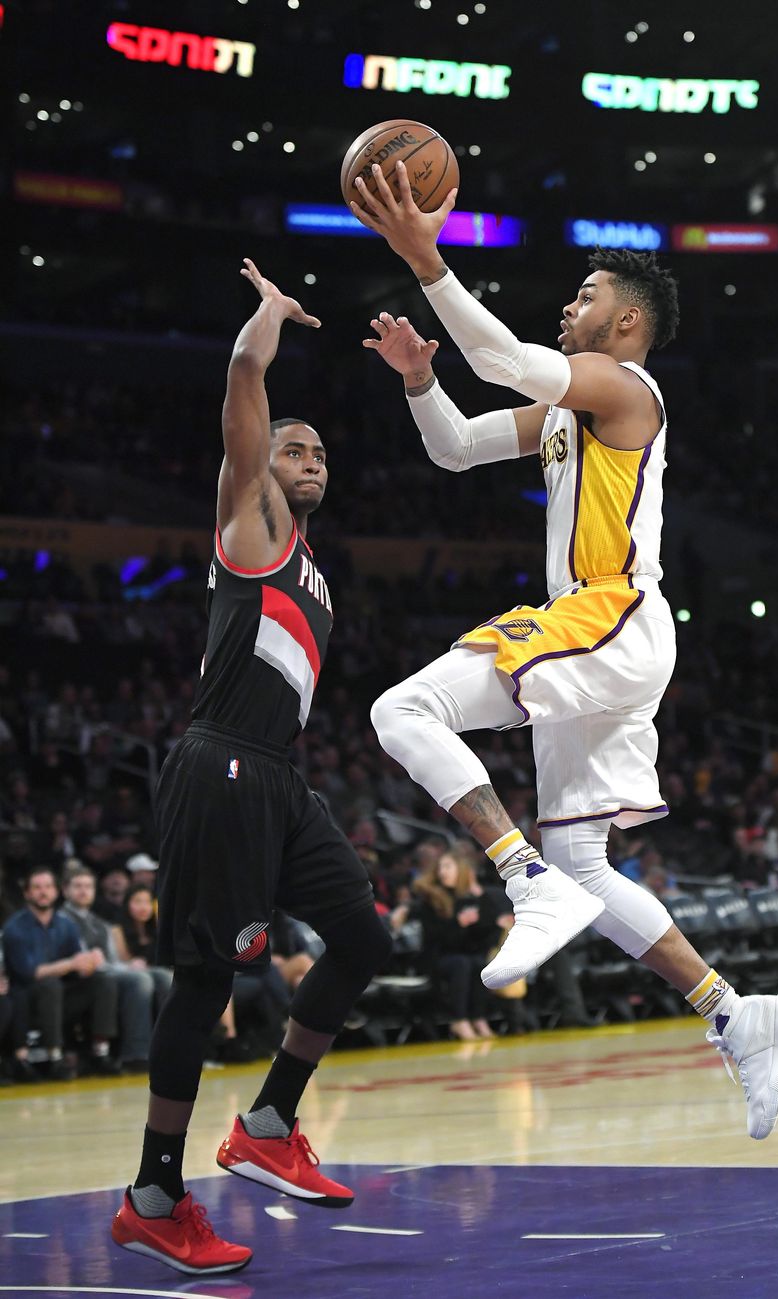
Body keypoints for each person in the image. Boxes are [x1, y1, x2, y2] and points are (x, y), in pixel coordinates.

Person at [354, 163, 778, 1142]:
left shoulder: (623, 387)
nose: (569, 303)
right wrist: (420, 380)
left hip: (607, 616)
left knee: (402, 711)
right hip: (604, 636)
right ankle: (734, 1012)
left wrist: (427, 262)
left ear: (626, 325)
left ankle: (518, 878)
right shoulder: (567, 414)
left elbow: (508, 358)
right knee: (584, 862)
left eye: (586, 295)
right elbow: (457, 447)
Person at [111, 260, 392, 1276]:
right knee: (203, 983)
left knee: (362, 937)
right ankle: (153, 1190)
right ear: (259, 462)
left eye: (318, 448)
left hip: (276, 776)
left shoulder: (314, 566)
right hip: (220, 766)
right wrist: (265, 322)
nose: (307, 454)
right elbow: (241, 378)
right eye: (289, 444)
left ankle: (268, 1121)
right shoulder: (249, 521)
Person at [3, 865, 120, 1079]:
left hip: (63, 997)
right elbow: (31, 973)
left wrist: (90, 962)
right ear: (27, 893)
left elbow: (79, 963)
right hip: (27, 997)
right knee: (50, 985)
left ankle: (100, 1051)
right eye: (37, 887)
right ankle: (55, 1057)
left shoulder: (66, 925)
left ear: (56, 891)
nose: (43, 892)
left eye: (47, 886)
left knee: (104, 980)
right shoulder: (15, 927)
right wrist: (72, 963)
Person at [408, 843, 511, 1040]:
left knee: (480, 963)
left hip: (464, 955)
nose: (442, 872)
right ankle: (459, 1020)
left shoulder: (467, 898)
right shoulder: (432, 899)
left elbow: (484, 933)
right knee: (462, 963)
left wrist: (482, 901)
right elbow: (434, 938)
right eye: (441, 867)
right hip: (435, 957)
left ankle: (478, 1018)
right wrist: (458, 924)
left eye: (448, 867)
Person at [61, 862, 156, 1071]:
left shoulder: (99, 923)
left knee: (160, 977)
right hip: (76, 980)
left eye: (88, 886)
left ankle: (163, 1049)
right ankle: (135, 1053)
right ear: (65, 890)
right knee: (140, 979)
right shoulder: (62, 920)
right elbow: (88, 961)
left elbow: (112, 961)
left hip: (106, 972)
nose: (84, 891)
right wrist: (127, 969)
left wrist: (128, 965)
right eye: (78, 886)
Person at [112, 884, 173, 1010]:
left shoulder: (158, 928)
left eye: (147, 902)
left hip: (157, 973)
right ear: (127, 904)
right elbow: (123, 960)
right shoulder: (117, 930)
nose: (143, 907)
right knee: (160, 977)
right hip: (130, 973)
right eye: (137, 901)